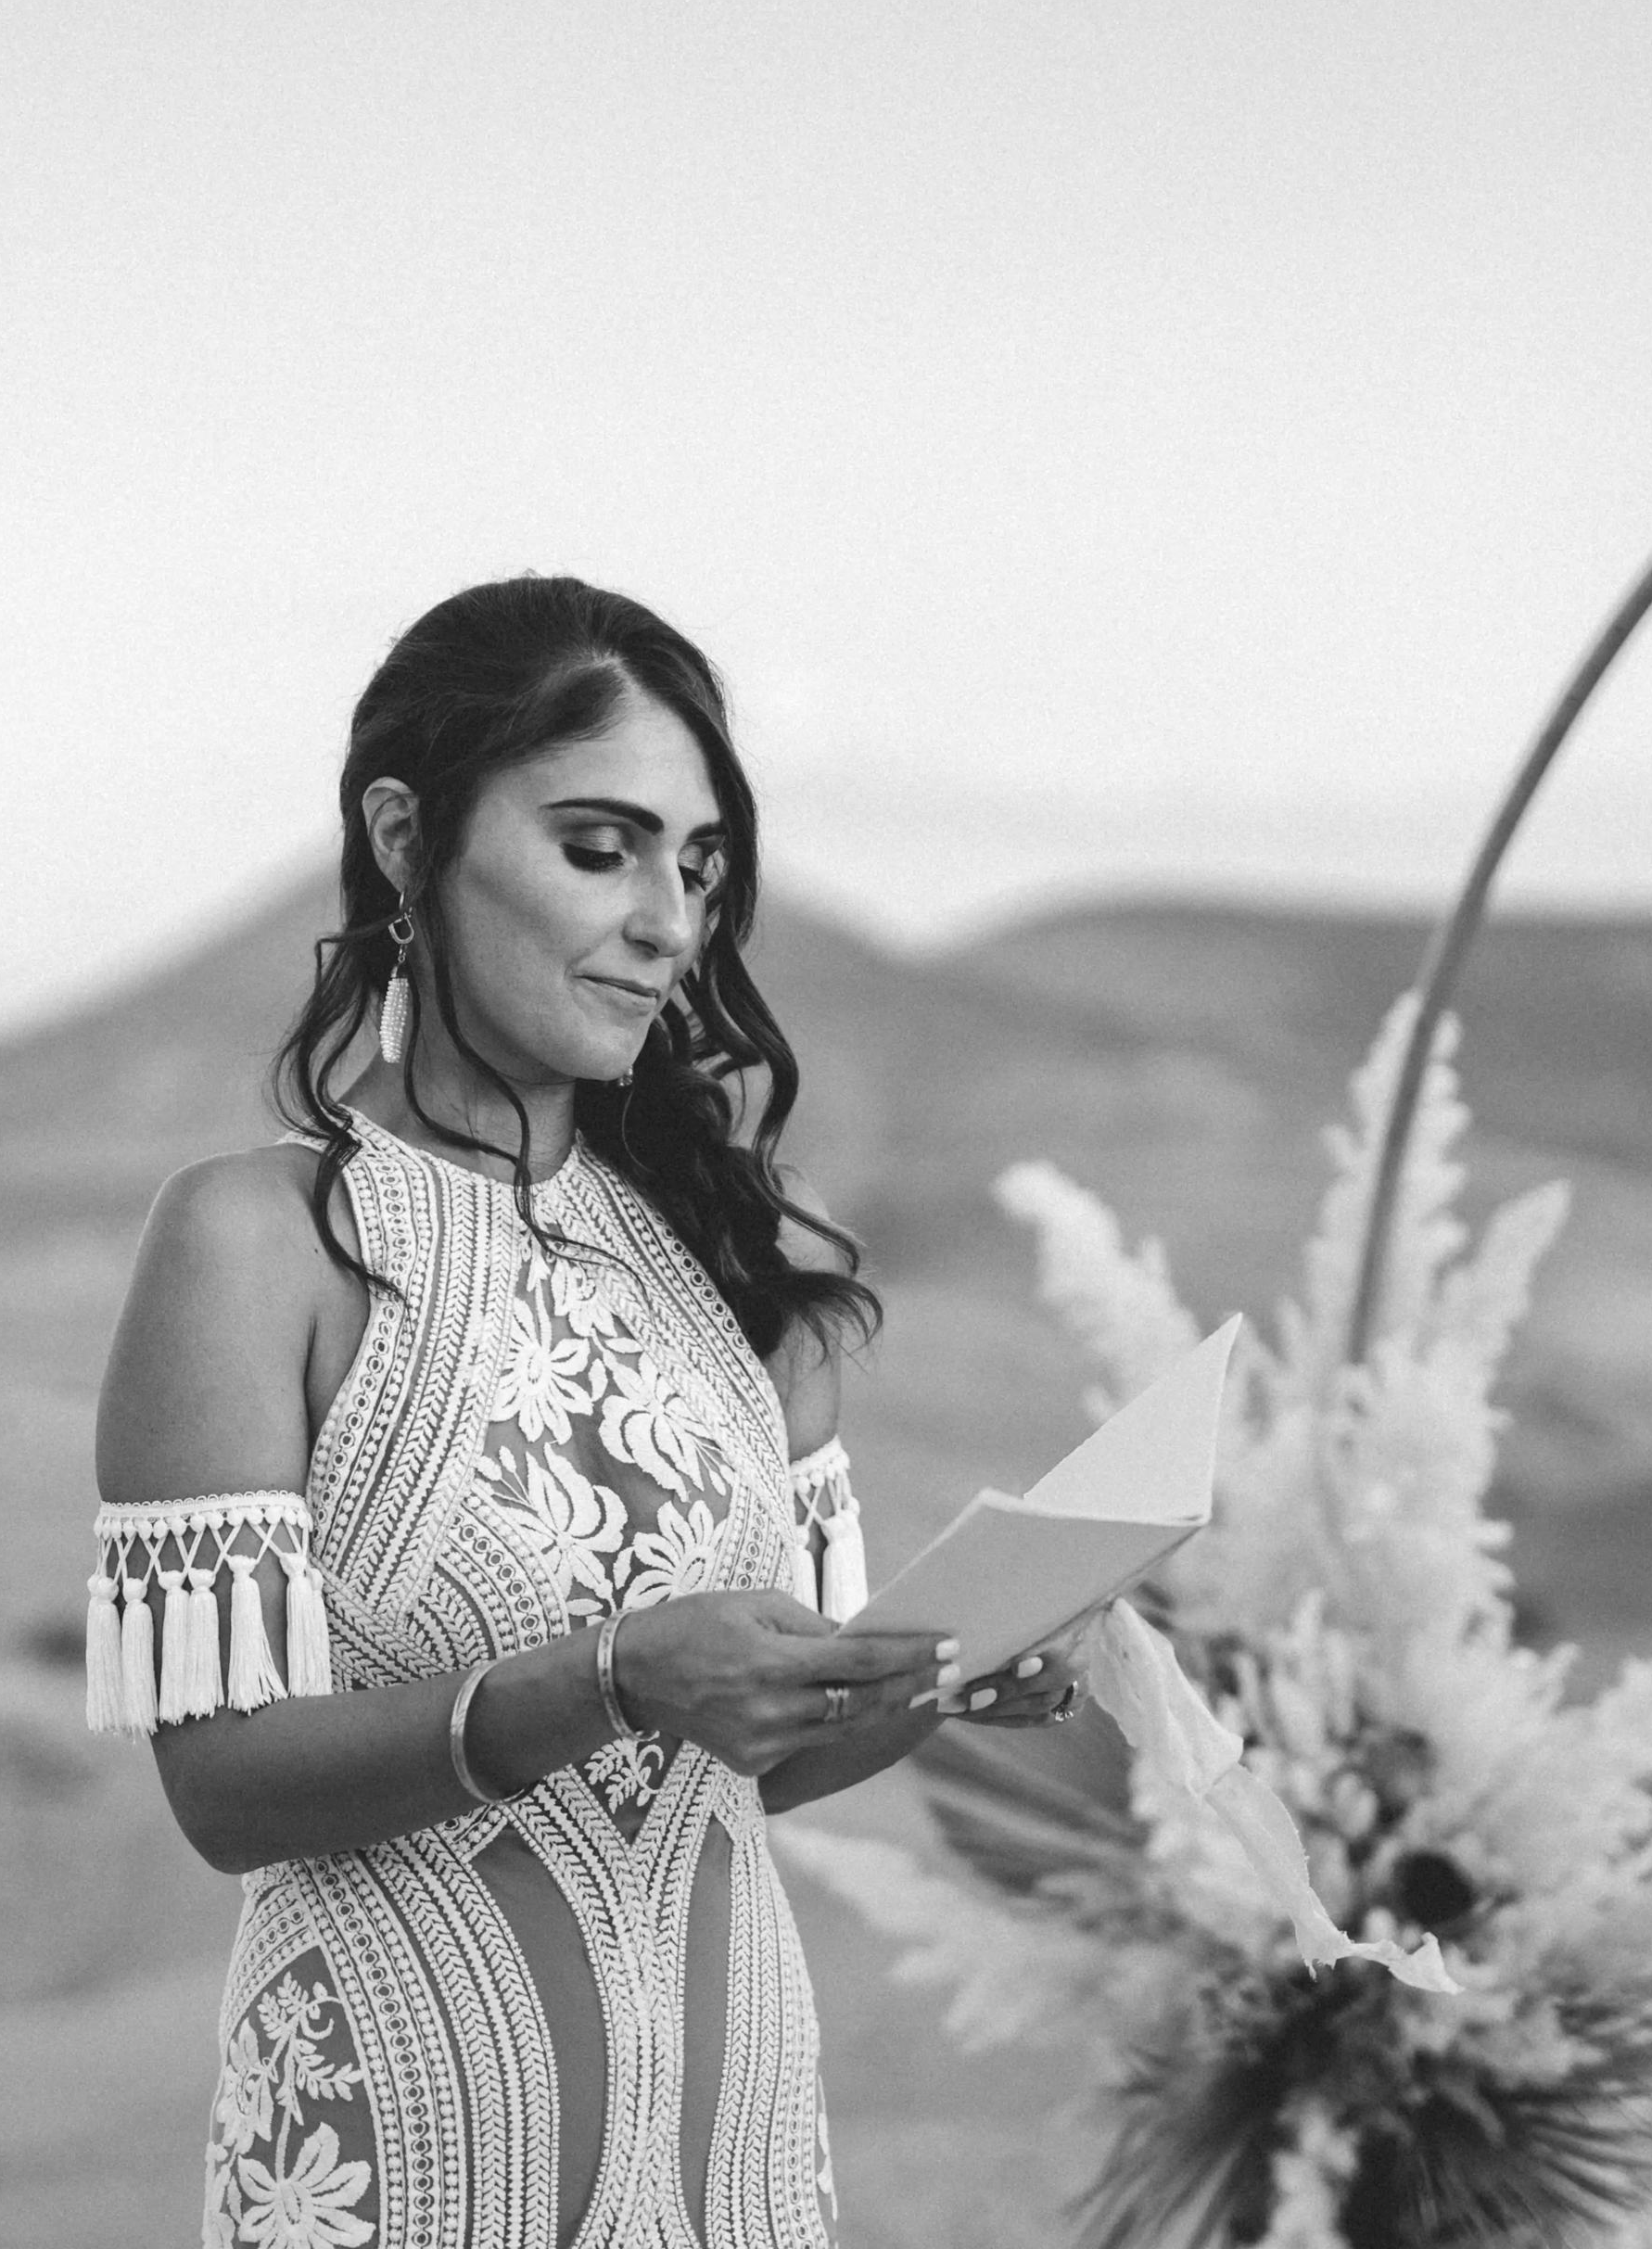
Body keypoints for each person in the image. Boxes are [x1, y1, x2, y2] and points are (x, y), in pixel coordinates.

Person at [83, 576, 1085, 2249]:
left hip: (735, 2164)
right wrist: (614, 1673)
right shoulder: (256, 1241)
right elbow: (226, 1791)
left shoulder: (749, 1265)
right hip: (394, 2165)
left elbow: (746, 1768)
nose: (668, 923)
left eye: (697, 867)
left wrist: (937, 1671)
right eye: (599, 847)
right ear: (406, 838)